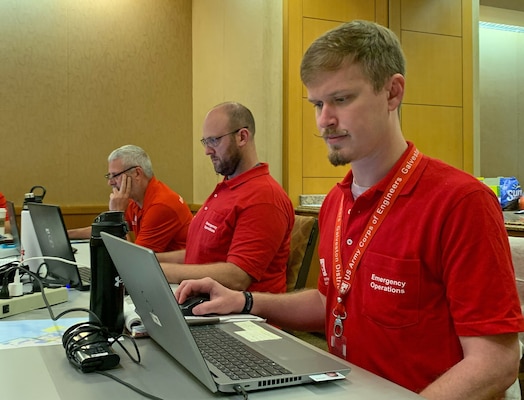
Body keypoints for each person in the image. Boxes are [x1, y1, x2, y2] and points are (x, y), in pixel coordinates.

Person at [174, 20, 524, 398]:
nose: (325, 119)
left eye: (341, 100)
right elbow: (331, 301)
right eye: (318, 104)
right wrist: (243, 301)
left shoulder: (460, 202)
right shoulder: (337, 203)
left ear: (392, 93)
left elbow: (496, 360)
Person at [156, 102, 295, 293]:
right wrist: (150, 261)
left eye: (214, 140)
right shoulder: (227, 186)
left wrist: (160, 272)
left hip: (244, 318)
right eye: (205, 142)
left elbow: (237, 277)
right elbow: (197, 256)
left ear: (242, 137)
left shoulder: (264, 197)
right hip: (203, 304)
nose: (207, 151)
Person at [68, 145, 193, 253]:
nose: (110, 183)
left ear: (137, 173)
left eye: (115, 176)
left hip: (179, 278)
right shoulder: (135, 200)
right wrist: (67, 235)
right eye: (109, 176)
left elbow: (133, 259)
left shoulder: (161, 205)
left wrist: (117, 215)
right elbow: (104, 231)